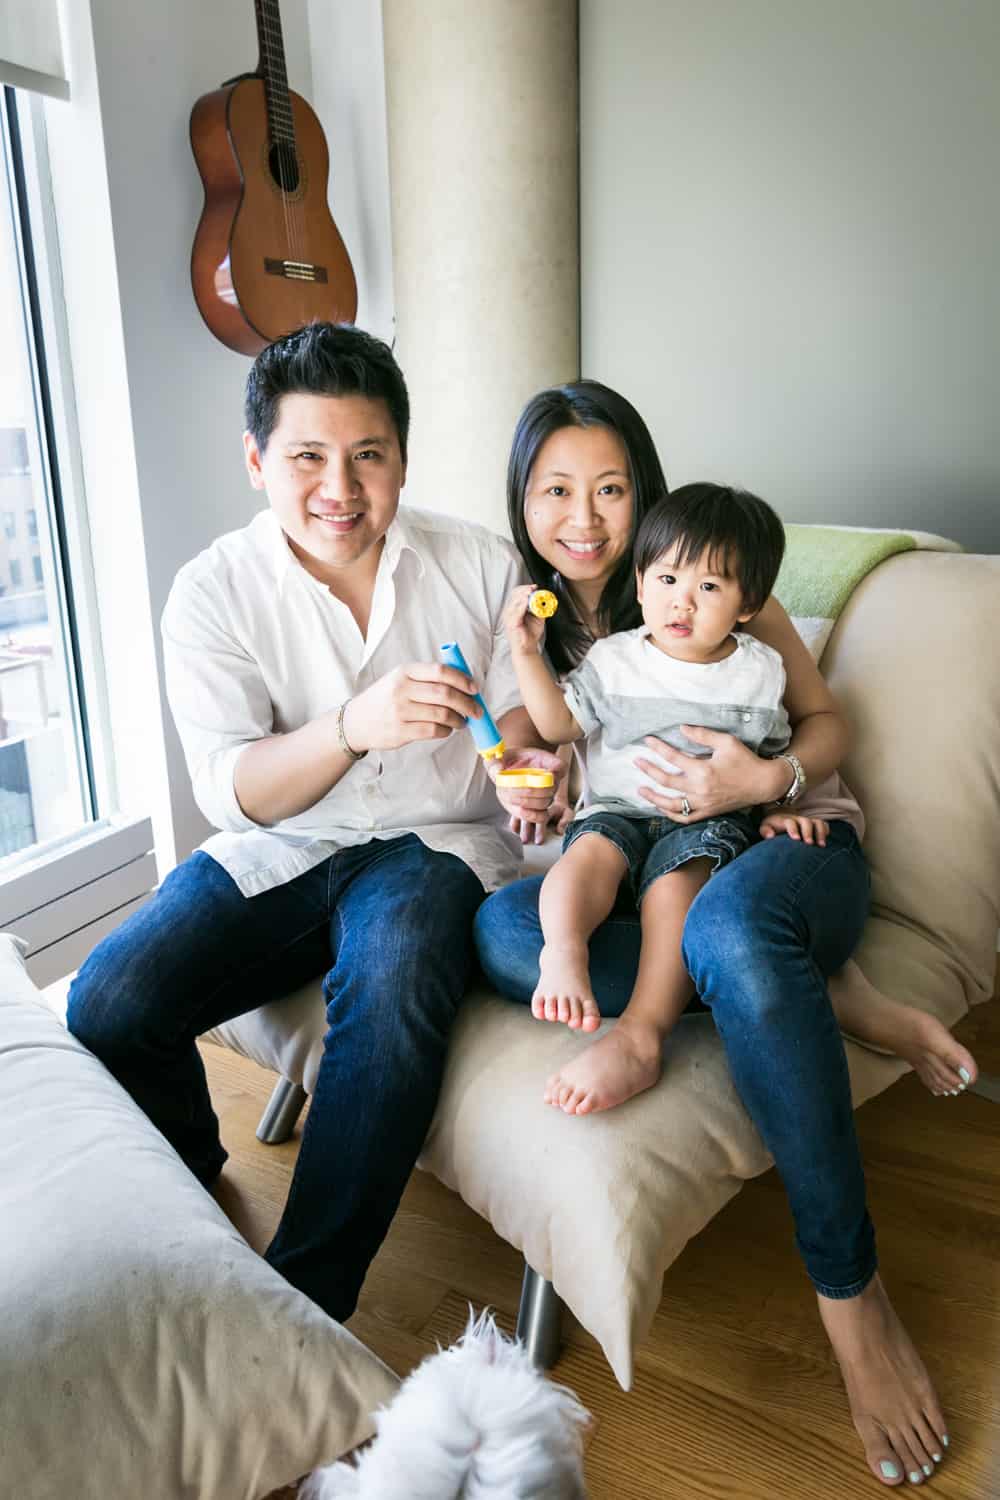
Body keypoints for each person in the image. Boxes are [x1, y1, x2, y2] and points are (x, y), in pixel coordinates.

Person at [475, 380, 974, 1488]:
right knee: (508, 929)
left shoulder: (726, 595)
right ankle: (827, 993)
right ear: (523, 500)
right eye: (554, 489)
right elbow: (535, 753)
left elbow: (824, 724)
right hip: (631, 848)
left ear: (645, 494)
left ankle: (850, 1297)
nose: (583, 517)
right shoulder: (545, 629)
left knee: (732, 925)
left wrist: (766, 779)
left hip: (781, 839)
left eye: (610, 488)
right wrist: (529, 787)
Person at [66, 322, 560, 1326]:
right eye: (307, 457)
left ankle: (305, 1309)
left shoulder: (477, 561)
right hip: (282, 844)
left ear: (403, 460)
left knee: (395, 975)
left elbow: (520, 721)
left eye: (367, 455)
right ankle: (198, 1187)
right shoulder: (212, 592)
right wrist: (349, 728)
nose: (341, 487)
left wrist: (525, 769)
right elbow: (234, 791)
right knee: (107, 1003)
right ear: (257, 462)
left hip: (436, 842)